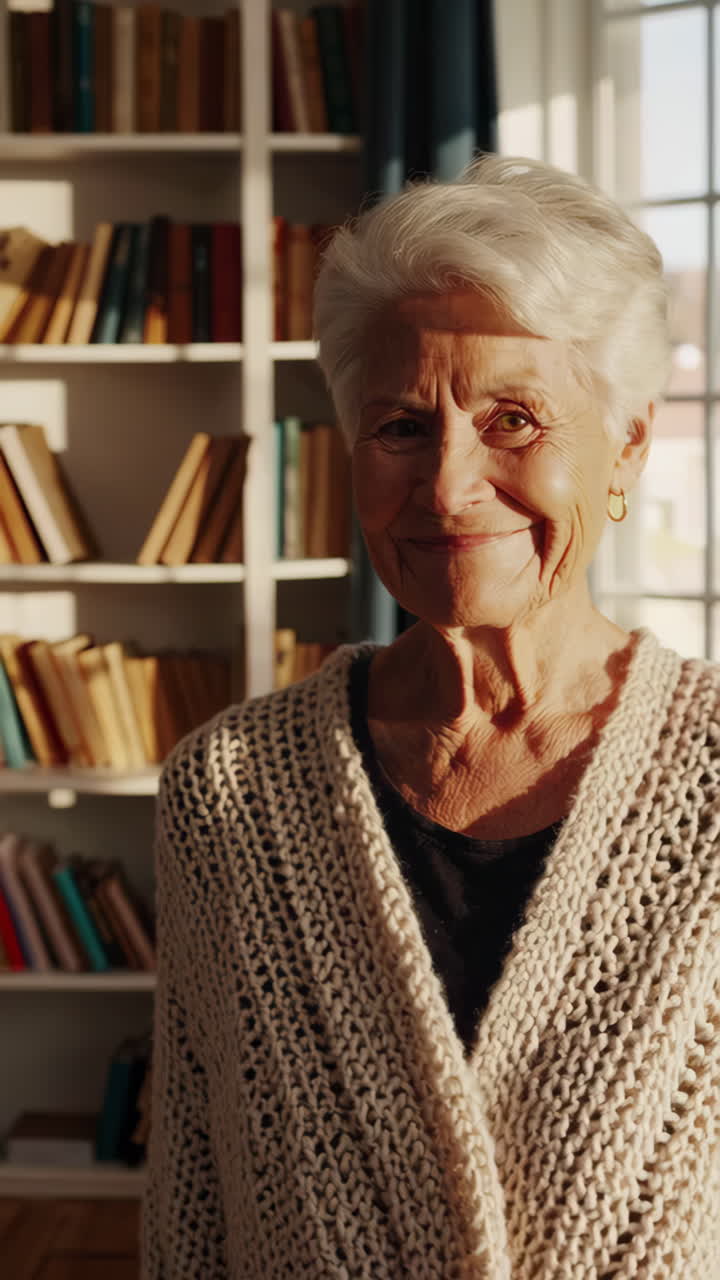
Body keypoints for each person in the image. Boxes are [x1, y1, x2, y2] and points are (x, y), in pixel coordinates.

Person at [141, 155, 720, 1279]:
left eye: (513, 418)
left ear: (629, 446)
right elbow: (194, 1205)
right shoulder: (231, 791)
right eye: (403, 426)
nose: (449, 484)